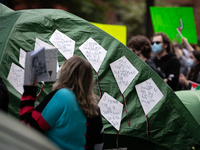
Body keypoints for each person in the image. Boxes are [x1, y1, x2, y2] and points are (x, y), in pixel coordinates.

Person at [20, 55, 104, 150]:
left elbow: (28, 129)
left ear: (65, 74)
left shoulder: (62, 96)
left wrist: (29, 89)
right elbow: (98, 146)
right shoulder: (95, 109)